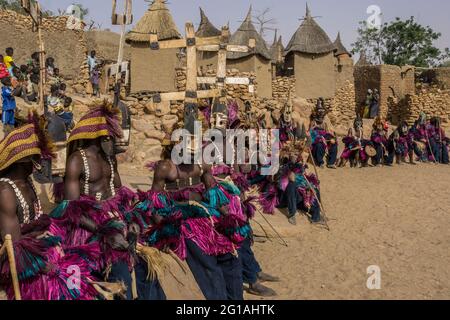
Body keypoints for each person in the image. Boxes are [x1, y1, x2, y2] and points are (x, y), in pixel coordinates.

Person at [0, 113, 100, 300]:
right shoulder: (5, 190)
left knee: (78, 273)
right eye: (36, 157)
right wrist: (47, 266)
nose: (40, 162)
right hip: (23, 266)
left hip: (40, 252)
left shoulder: (26, 182)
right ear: (22, 160)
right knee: (66, 288)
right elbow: (14, 247)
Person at [309, 98, 338, 169]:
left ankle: (331, 163)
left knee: (334, 144)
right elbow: (310, 131)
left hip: (324, 136)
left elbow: (327, 132)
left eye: (322, 111)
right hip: (316, 137)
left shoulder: (325, 122)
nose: (321, 112)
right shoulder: (313, 121)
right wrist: (314, 129)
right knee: (319, 145)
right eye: (319, 110)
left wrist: (331, 138)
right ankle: (320, 162)